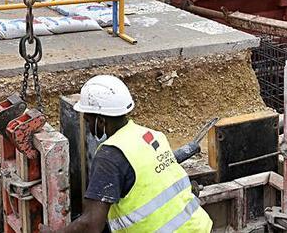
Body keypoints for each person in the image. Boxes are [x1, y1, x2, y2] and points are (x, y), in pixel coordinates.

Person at [43, 75, 211, 233]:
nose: (87, 125)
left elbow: (91, 224)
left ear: (101, 120)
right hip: (199, 226)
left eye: (88, 120)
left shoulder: (110, 156)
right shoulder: (151, 135)